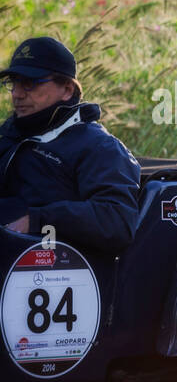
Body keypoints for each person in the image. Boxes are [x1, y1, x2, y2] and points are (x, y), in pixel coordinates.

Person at [0, 36, 139, 252]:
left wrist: (37, 220)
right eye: (14, 82)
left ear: (67, 90)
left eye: (29, 83)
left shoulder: (99, 147)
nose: (17, 94)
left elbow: (117, 220)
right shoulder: (9, 135)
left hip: (49, 268)